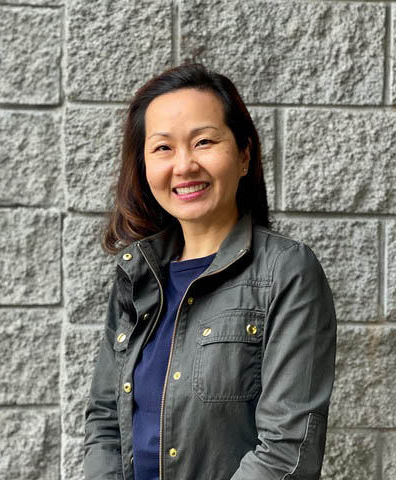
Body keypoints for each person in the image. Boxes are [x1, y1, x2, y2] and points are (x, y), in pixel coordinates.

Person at [84, 63, 337, 480]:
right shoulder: (137, 274)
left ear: (243, 155)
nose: (184, 165)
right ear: (143, 166)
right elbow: (105, 422)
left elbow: (286, 450)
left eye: (203, 141)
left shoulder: (286, 272)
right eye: (163, 148)